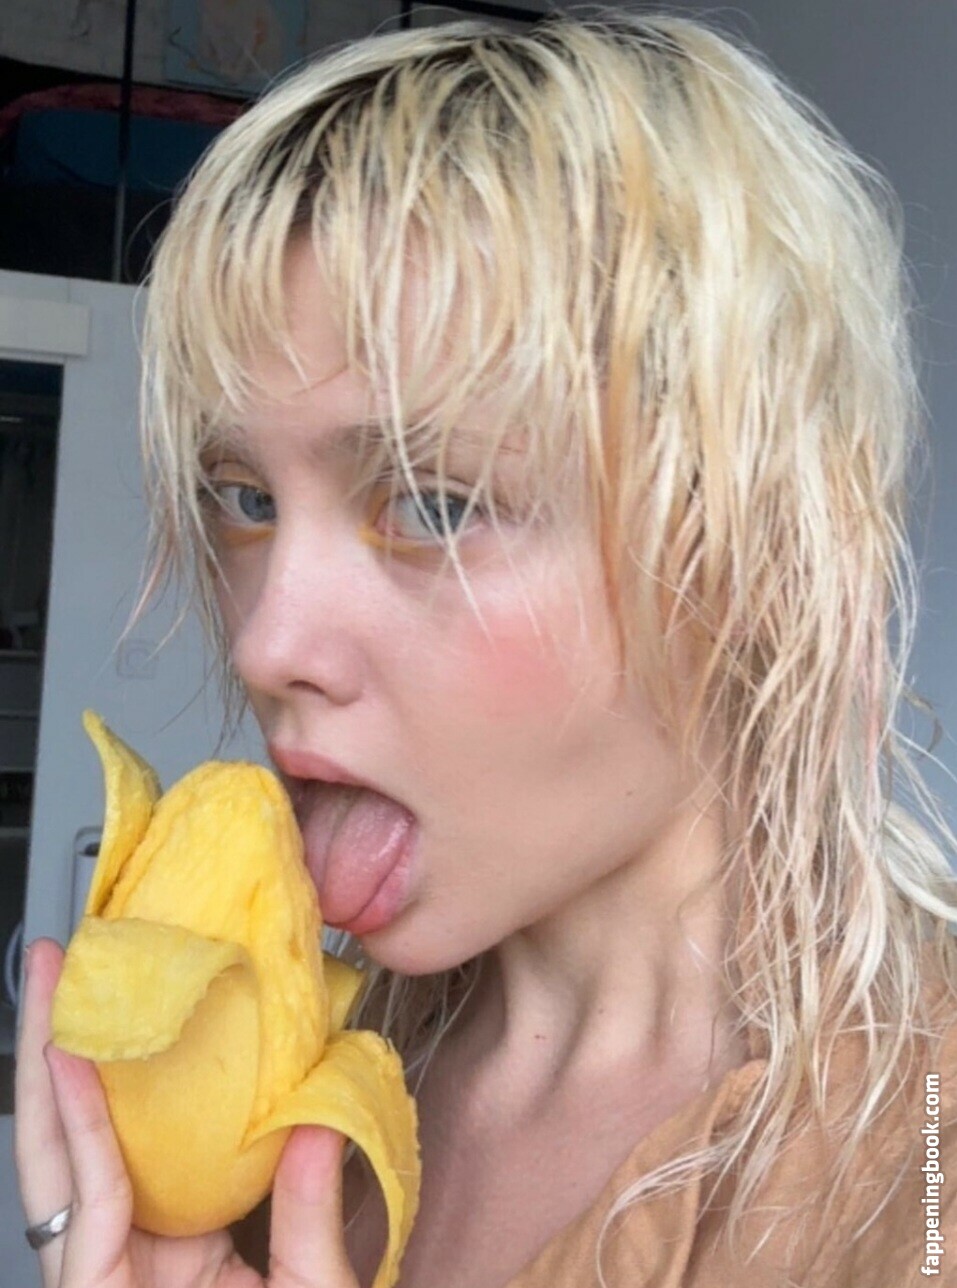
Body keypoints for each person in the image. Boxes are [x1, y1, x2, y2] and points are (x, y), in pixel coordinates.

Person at [14, 11, 957, 1287]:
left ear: (754, 550)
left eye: (434, 504)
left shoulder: (926, 1167)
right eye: (244, 497)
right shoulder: (287, 1072)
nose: (270, 641)